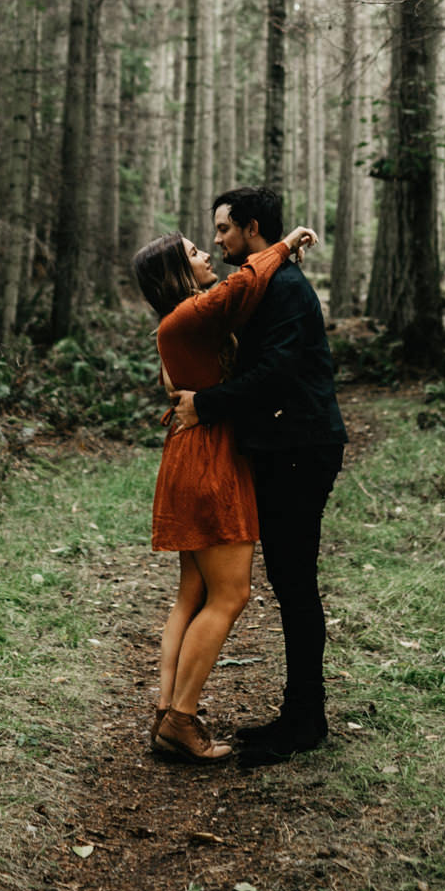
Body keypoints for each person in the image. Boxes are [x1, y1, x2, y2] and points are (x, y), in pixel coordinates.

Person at [171, 185, 347, 764]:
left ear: (251, 229)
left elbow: (274, 374)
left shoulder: (287, 288)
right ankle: (299, 714)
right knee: (289, 582)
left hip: (302, 449)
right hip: (282, 448)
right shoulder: (263, 281)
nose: (217, 239)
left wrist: (206, 404)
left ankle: (305, 722)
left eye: (224, 229)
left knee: (295, 584)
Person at [132, 220, 318, 762]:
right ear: (176, 271)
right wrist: (285, 244)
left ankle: (167, 711)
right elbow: (243, 285)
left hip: (191, 454)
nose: (208, 256)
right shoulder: (189, 314)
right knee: (231, 594)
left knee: (192, 592)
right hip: (209, 460)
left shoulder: (175, 325)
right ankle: (182, 719)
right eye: (195, 252)